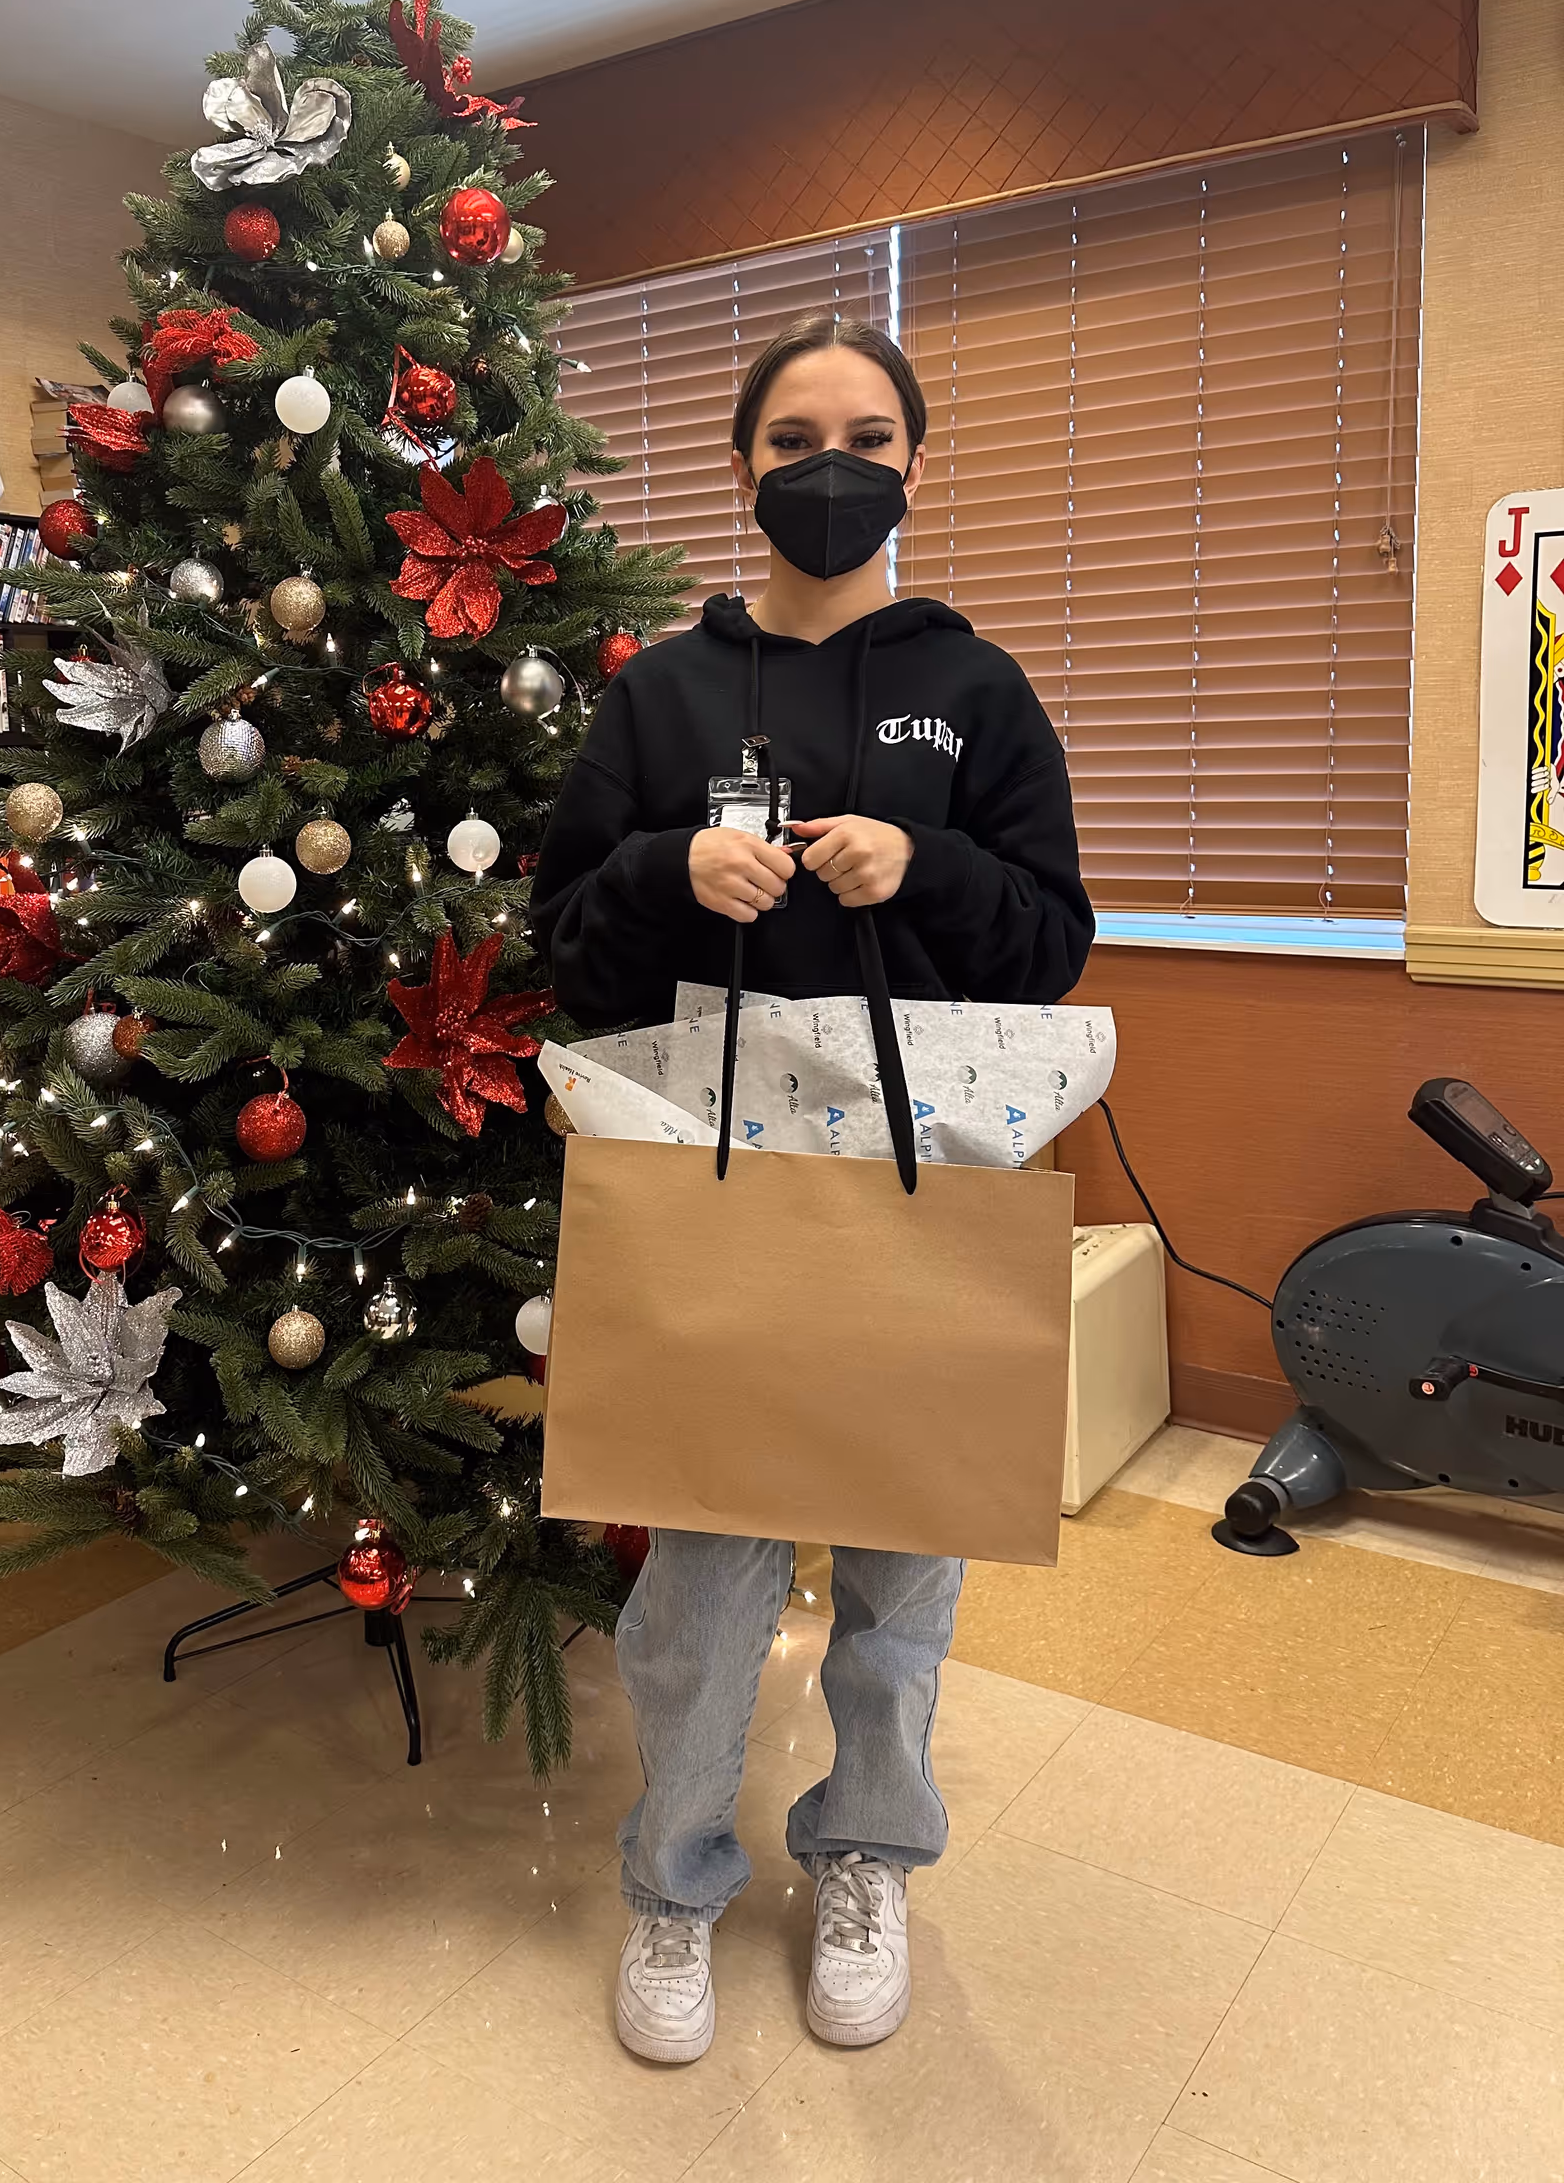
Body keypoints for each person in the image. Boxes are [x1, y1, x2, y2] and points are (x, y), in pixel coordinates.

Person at [529, 313, 1092, 2063]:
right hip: (718, 1190)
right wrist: (665, 869)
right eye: (789, 438)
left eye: (862, 434)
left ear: (916, 462)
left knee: (901, 1582)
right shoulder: (663, 691)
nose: (826, 468)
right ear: (741, 464)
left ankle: (867, 1859)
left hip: (927, 1192)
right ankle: (673, 1890)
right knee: (699, 1585)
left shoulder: (981, 688)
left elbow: (1053, 944)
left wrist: (922, 862)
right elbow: (562, 949)